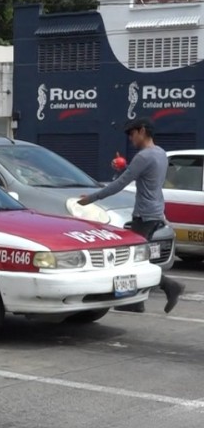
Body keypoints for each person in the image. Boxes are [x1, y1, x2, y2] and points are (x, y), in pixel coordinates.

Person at [78, 117, 185, 313]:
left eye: (131, 133)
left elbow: (120, 184)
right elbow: (146, 178)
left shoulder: (143, 157)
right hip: (155, 212)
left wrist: (92, 198)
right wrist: (123, 168)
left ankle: (170, 286)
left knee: (129, 257)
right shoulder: (160, 154)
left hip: (144, 215)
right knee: (138, 258)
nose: (130, 138)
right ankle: (136, 302)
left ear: (142, 130)